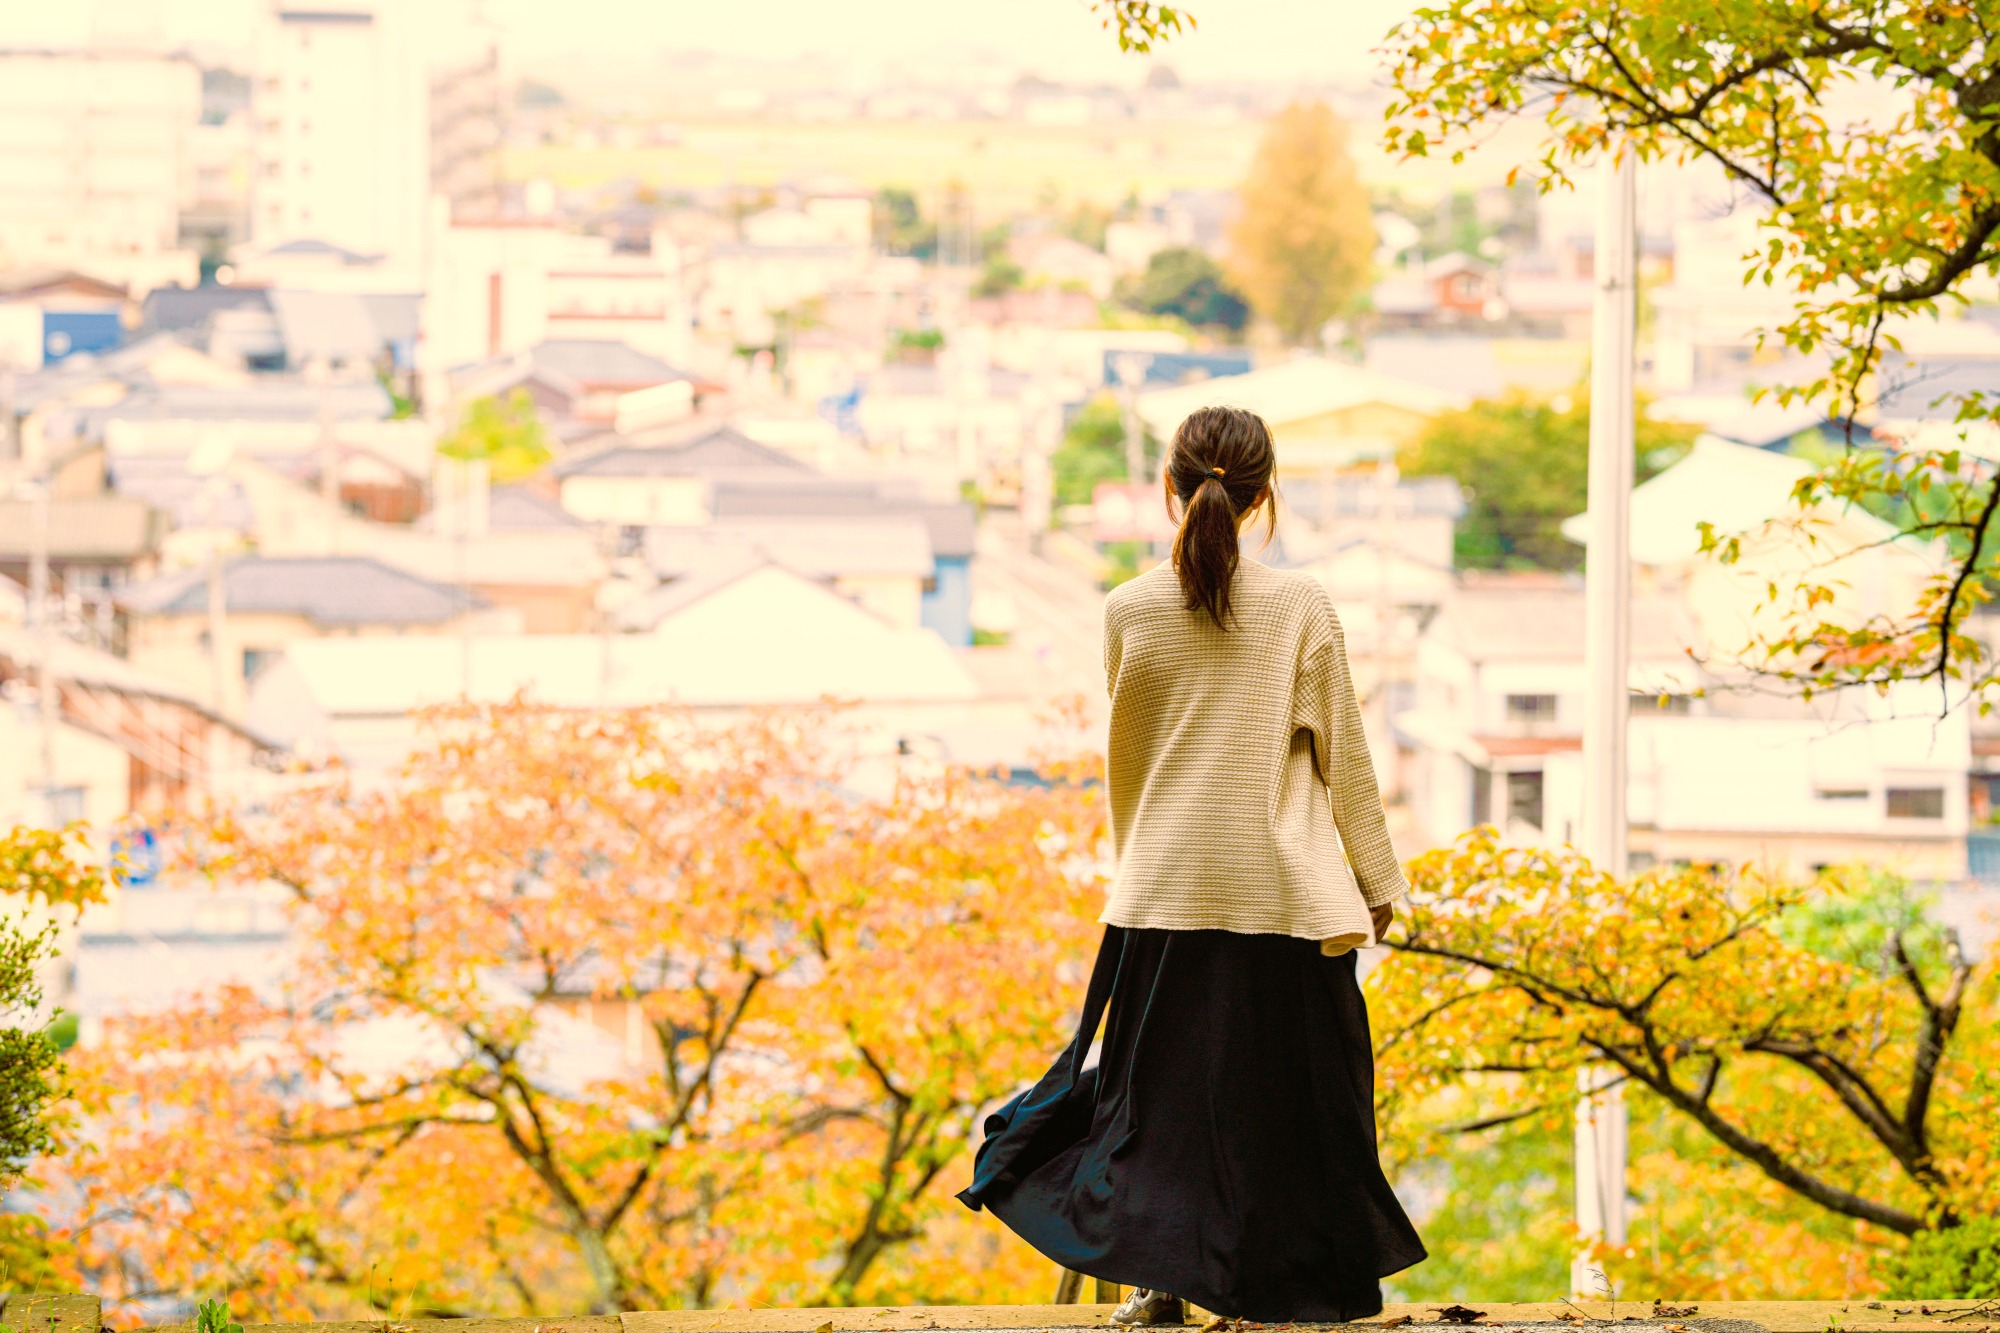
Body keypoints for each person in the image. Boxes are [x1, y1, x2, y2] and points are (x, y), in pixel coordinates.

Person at [956, 405, 1426, 1324]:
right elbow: (1347, 763)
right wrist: (1380, 887)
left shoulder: (1127, 609)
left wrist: (1144, 867)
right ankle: (1287, 1296)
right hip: (1280, 899)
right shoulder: (1301, 606)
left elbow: (1130, 762)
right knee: (1288, 1106)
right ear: (1265, 495)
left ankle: (1160, 1290)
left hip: (1160, 894)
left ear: (1169, 486)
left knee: (1154, 1115)